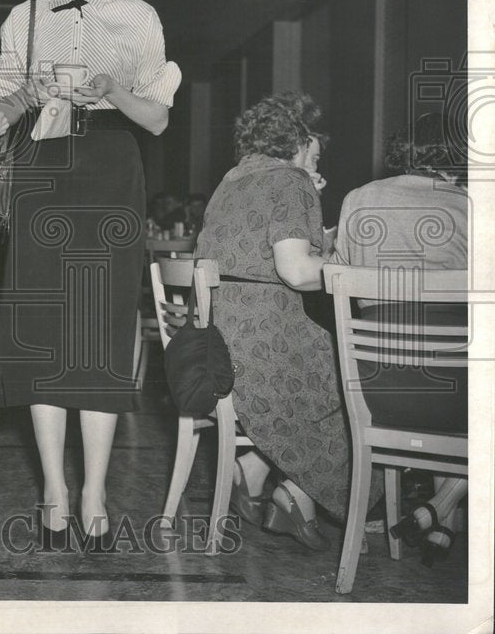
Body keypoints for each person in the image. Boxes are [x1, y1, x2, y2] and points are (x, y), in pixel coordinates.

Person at [0, 0, 181, 549]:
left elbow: (155, 118)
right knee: (41, 327)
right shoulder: (23, 18)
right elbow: (4, 101)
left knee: (97, 327)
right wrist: (9, 107)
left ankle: (93, 489)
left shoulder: (135, 16)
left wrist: (109, 88)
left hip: (109, 166)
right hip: (42, 165)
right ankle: (54, 492)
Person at [195, 90, 382, 551]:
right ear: (298, 143)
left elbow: (264, 251)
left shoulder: (232, 180)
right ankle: (298, 493)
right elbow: (298, 272)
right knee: (355, 378)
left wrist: (315, 227)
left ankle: (257, 470)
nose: (316, 166)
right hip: (265, 349)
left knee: (326, 360)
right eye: (313, 154)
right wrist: (358, 271)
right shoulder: (291, 181)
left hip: (223, 342)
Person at [332, 115, 467, 566]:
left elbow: (333, 274)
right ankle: (441, 509)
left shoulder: (357, 200)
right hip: (452, 394)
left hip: (376, 390)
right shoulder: (471, 208)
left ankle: (442, 518)